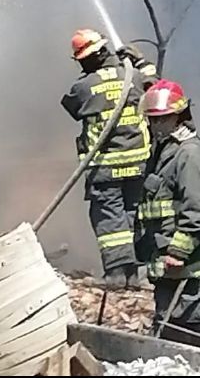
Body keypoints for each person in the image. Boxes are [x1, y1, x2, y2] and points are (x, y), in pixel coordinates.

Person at [61, 28, 157, 289]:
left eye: (83, 60)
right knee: (132, 215)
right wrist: (141, 62)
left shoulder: (84, 87)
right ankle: (133, 275)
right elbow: (155, 87)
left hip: (105, 166)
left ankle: (115, 275)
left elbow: (72, 106)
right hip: (138, 163)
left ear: (93, 57)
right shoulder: (134, 76)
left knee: (109, 219)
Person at [134, 79, 200, 337]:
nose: (156, 125)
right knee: (166, 329)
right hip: (167, 266)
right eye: (153, 119)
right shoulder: (162, 153)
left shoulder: (190, 154)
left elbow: (199, 210)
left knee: (185, 335)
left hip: (188, 268)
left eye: (163, 119)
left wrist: (179, 252)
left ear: (180, 116)